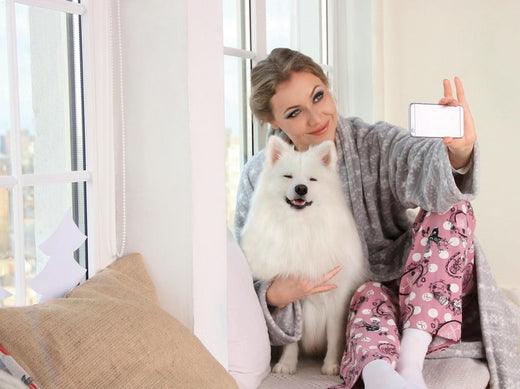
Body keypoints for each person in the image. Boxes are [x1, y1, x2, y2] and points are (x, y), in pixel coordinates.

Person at [234, 48, 519, 389]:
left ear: (329, 87)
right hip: (355, 301)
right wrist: (275, 294)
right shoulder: (259, 176)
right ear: (272, 121)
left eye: (319, 96)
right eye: (295, 113)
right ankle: (384, 375)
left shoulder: (372, 142)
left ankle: (412, 361)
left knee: (452, 207)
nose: (315, 118)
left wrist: (456, 152)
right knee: (366, 300)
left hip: (411, 277)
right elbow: (245, 271)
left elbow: (415, 158)